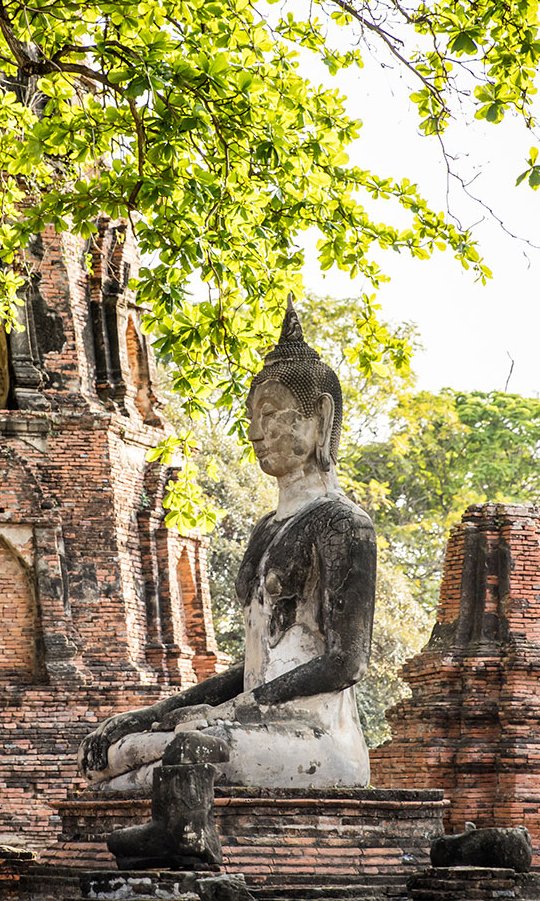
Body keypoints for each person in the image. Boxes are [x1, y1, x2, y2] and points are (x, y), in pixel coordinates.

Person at [79, 300, 376, 791]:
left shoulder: (344, 524)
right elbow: (256, 666)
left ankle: (187, 835)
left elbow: (346, 663)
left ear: (319, 418)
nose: (256, 432)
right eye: (251, 416)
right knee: (103, 758)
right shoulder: (265, 530)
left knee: (185, 755)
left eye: (271, 414)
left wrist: (232, 712)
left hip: (314, 735)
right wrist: (155, 712)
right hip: (253, 723)